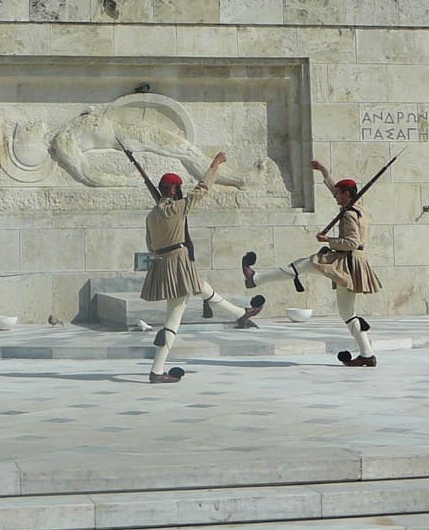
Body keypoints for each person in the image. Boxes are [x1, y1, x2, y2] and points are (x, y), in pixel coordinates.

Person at [241, 159, 382, 367]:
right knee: (346, 312)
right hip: (355, 262)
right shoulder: (360, 209)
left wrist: (329, 240)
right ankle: (367, 354)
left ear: (347, 195)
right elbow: (336, 189)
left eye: (338, 194)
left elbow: (352, 242)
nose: (335, 196)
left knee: (305, 265)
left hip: (347, 261)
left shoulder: (350, 215)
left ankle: (256, 278)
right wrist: (324, 171)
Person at [142, 152, 264, 384]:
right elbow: (203, 188)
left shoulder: (150, 216)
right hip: (178, 262)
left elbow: (150, 245)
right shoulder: (178, 208)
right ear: (174, 191)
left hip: (162, 262)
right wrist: (215, 164)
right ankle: (157, 371)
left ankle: (240, 313)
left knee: (200, 287)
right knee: (173, 318)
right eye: (176, 189)